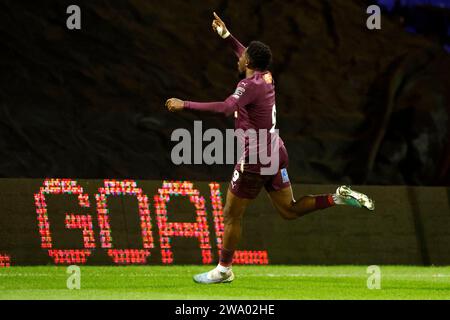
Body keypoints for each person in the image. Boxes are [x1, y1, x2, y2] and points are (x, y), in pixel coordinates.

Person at [165, 12, 375, 284]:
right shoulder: (266, 77)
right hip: (276, 151)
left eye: (243, 56)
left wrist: (186, 104)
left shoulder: (247, 84)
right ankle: (336, 198)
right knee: (289, 210)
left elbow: (227, 108)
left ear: (249, 62)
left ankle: (224, 270)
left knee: (231, 215)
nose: (239, 57)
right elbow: (244, 53)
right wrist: (227, 36)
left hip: (256, 158)